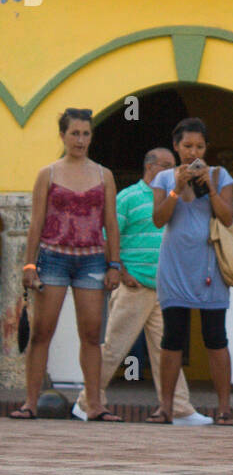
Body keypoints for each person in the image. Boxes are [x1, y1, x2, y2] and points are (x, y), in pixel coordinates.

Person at [71, 149, 212, 425]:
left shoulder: (173, 198)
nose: (175, 171)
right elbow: (106, 236)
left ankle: (180, 408)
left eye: (176, 166)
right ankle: (86, 402)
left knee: (166, 351)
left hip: (164, 288)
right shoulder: (128, 197)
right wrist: (120, 271)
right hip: (134, 285)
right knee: (114, 348)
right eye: (169, 166)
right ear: (151, 167)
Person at [14, 108, 121, 421]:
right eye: (74, 133)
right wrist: (28, 265)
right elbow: (36, 223)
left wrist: (114, 263)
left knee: (91, 333)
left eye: (86, 133)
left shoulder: (104, 175)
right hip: (53, 255)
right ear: (62, 136)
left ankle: (95, 405)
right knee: (41, 331)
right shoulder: (48, 173)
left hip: (91, 258)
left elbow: (111, 223)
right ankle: (30, 403)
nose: (81, 139)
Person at [150, 119, 233, 425]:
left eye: (199, 146)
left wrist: (210, 187)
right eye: (187, 146)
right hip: (174, 267)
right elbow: (159, 220)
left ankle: (225, 409)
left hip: (210, 266)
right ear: (176, 146)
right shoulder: (162, 178)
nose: (193, 152)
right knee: (173, 337)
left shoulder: (220, 175)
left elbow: (227, 218)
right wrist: (176, 189)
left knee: (215, 337)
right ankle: (166, 407)